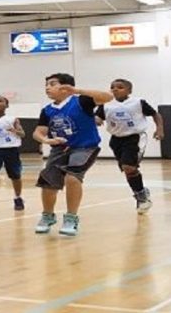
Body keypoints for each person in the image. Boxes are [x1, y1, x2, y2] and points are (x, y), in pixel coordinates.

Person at [32, 73, 113, 237]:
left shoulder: (81, 101)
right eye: (46, 85)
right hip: (59, 149)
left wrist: (77, 90)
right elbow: (38, 132)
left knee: (72, 178)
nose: (47, 87)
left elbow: (108, 97)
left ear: (65, 87)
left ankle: (71, 218)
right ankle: (47, 216)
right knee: (47, 181)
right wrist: (46, 140)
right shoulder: (47, 110)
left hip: (84, 147)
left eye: (52, 84)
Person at [95, 79, 164, 214]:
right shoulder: (106, 104)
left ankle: (141, 197)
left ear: (129, 91)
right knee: (128, 170)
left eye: (120, 87)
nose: (115, 89)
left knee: (129, 167)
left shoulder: (138, 102)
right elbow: (98, 118)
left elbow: (155, 114)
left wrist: (159, 129)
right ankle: (141, 192)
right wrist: (95, 120)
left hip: (135, 137)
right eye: (112, 87)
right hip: (116, 140)